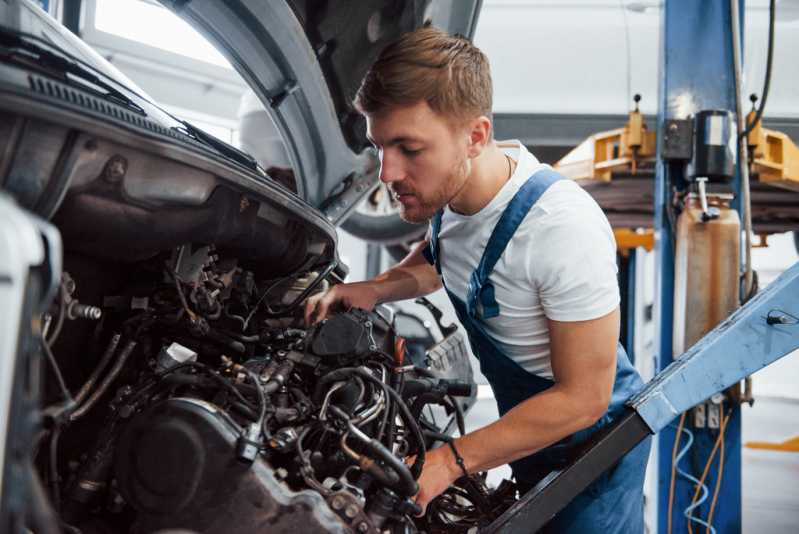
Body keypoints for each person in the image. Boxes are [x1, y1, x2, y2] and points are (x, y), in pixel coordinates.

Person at [304, 27, 650, 533]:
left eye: (408, 148)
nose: (387, 172)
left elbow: (585, 397)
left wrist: (451, 460)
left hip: (590, 451)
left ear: (475, 136)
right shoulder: (454, 197)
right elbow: (440, 258)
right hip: (530, 434)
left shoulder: (559, 228)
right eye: (380, 146)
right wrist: (374, 289)